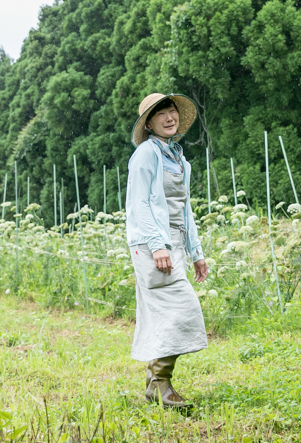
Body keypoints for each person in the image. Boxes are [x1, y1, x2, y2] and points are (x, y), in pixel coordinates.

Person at [125, 92, 209, 408]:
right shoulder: (146, 154)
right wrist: (157, 245)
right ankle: (159, 382)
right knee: (181, 309)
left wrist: (196, 252)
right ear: (149, 123)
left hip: (173, 242)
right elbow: (140, 204)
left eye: (172, 111)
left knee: (170, 312)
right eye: (161, 114)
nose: (170, 118)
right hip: (152, 245)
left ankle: (156, 384)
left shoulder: (177, 158)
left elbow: (183, 210)